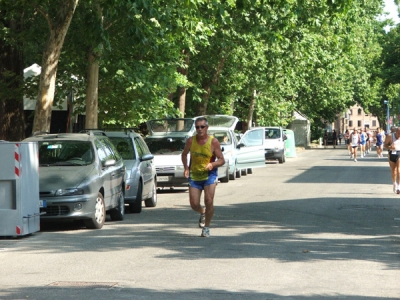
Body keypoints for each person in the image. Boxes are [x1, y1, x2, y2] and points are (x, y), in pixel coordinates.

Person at [181, 117, 225, 237]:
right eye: (197, 127)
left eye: (202, 127)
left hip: (209, 175)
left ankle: (206, 227)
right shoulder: (191, 141)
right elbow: (184, 154)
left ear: (207, 128)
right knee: (194, 204)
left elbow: (222, 160)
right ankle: (203, 212)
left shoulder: (213, 142)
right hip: (194, 175)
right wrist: (186, 168)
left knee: (209, 201)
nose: (199, 129)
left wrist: (212, 164)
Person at [384, 127, 400, 193]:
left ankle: (399, 186)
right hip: (392, 153)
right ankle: (394, 183)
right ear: (396, 132)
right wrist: (390, 147)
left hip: (399, 153)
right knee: (394, 171)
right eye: (399, 134)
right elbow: (385, 145)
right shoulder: (390, 136)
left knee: (399, 170)